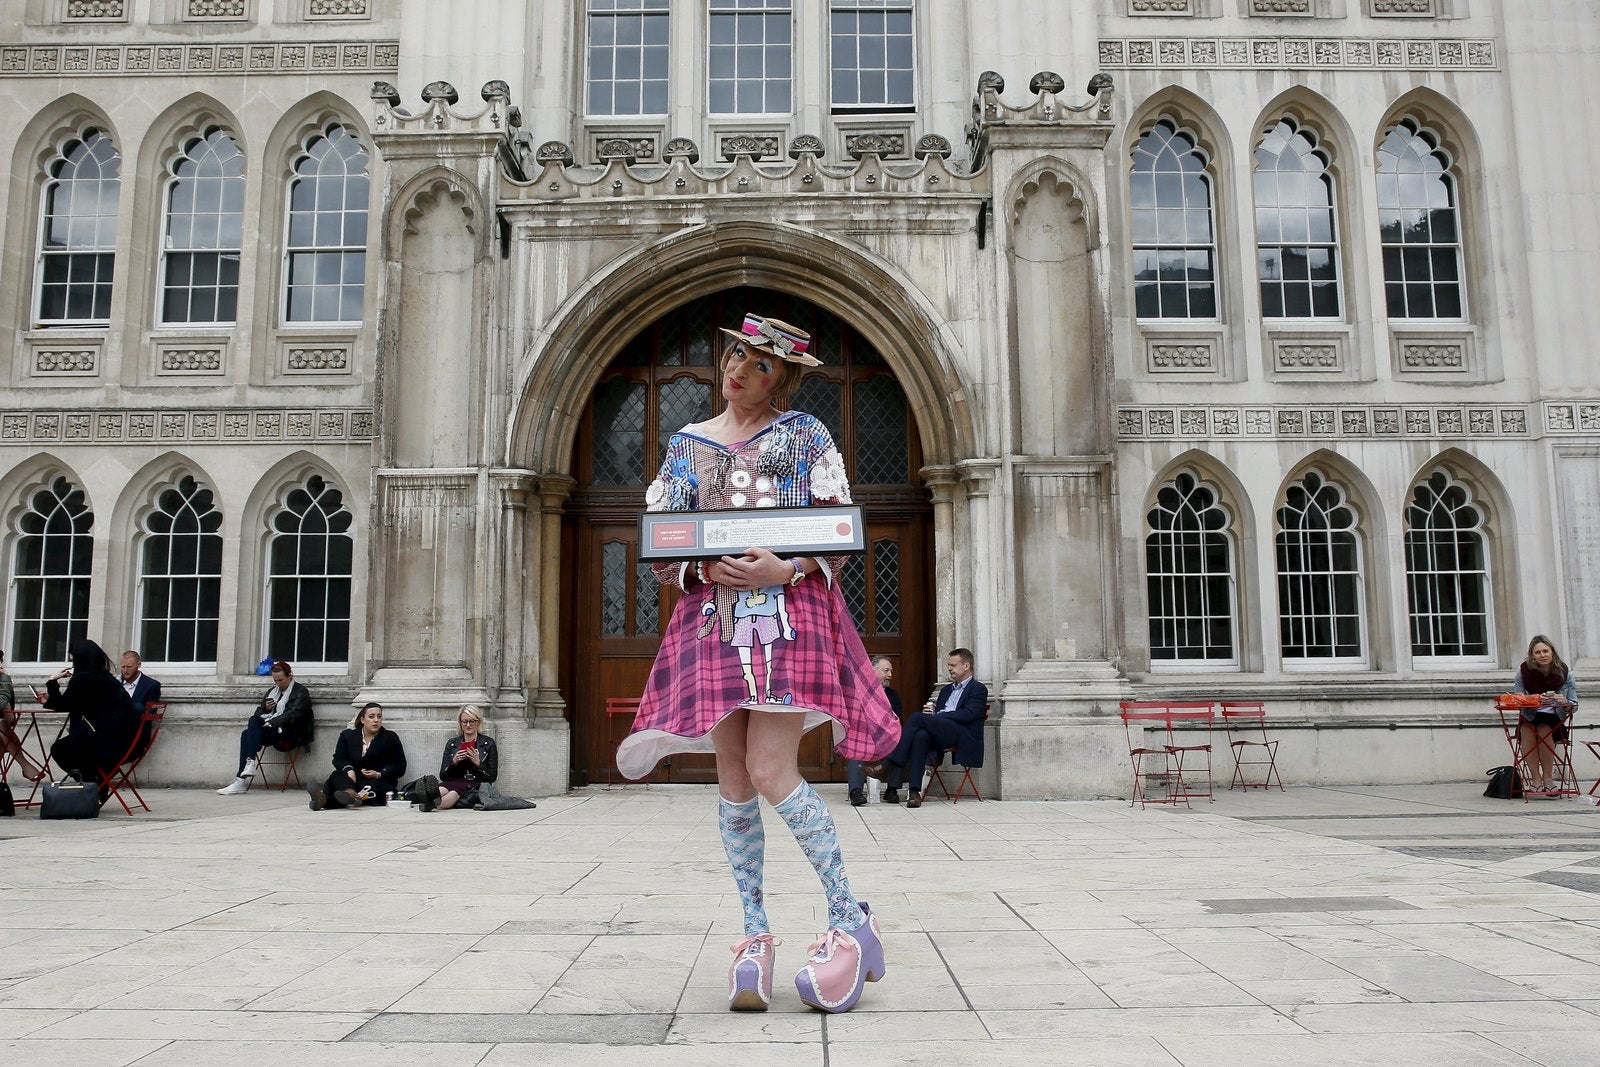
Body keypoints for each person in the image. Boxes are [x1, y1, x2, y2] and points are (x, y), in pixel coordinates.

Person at [616, 313, 900, 1016]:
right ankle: (754, 933)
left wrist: (788, 565)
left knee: (774, 769)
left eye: (763, 365)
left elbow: (837, 529)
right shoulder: (686, 445)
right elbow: (664, 546)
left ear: (785, 378)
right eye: (739, 354)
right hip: (710, 621)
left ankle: (848, 917)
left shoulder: (804, 434)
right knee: (735, 778)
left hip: (784, 619)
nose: (743, 370)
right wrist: (697, 564)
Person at [866, 648, 987, 809]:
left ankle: (887, 766)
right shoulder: (945, 690)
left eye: (953, 665)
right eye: (948, 665)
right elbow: (942, 716)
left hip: (962, 735)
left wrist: (937, 717)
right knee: (920, 735)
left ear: (966, 665)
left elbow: (969, 715)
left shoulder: (978, 689)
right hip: (942, 732)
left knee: (917, 718)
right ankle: (915, 792)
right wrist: (934, 714)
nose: (949, 668)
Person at [43, 639, 139, 796]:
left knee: (60, 750)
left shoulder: (83, 678)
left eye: (73, 657)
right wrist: (51, 700)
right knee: (71, 746)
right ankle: (97, 781)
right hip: (124, 739)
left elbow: (65, 705)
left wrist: (52, 681)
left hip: (105, 742)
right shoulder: (104, 677)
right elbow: (76, 702)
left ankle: (94, 783)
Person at [217, 660, 313, 795]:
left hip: (292, 731)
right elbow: (258, 714)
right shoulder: (272, 692)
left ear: (290, 676)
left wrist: (273, 722)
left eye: (281, 680)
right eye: (275, 680)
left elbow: (294, 715)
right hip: (273, 729)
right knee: (250, 726)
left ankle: (243, 777)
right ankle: (246, 770)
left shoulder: (300, 691)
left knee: (248, 732)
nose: (278, 684)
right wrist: (266, 709)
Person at [308, 702, 406, 810]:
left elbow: (400, 766)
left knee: (371, 789)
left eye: (379, 716)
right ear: (362, 719)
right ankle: (350, 795)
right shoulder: (348, 736)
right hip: (351, 781)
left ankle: (324, 800)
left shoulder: (390, 738)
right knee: (337, 775)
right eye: (371, 717)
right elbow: (339, 759)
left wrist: (378, 774)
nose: (376, 720)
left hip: (376, 782)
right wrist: (349, 770)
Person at [1512, 635, 1577, 794]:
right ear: (1532, 655)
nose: (1543, 655)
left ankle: (1548, 778)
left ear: (1552, 652)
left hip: (1555, 716)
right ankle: (1536, 779)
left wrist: (1562, 700)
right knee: (1527, 729)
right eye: (1538, 652)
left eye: (1545, 651)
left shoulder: (1565, 673)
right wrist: (1533, 699)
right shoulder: (1523, 673)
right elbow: (1517, 699)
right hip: (1530, 714)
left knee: (1543, 727)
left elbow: (1574, 705)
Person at [417, 704, 499, 812]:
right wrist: (454, 762)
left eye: (472, 721)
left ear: (478, 722)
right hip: (455, 780)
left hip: (476, 783)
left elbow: (492, 777)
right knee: (441, 788)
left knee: (454, 792)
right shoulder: (452, 743)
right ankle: (428, 797)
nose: (468, 725)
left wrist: (478, 763)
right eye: (464, 721)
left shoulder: (488, 743)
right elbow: (443, 776)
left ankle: (431, 804)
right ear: (460, 723)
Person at [847, 657, 902, 806]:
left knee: (899, 743)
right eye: (886, 670)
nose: (890, 674)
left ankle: (892, 790)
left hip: (886, 736)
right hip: (863, 734)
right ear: (873, 671)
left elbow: (898, 720)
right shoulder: (859, 692)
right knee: (857, 747)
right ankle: (856, 792)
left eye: (891, 671)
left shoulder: (894, 695)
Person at [0, 648, 49, 783]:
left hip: (3, 726)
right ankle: (26, 766)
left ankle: (26, 767)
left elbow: (7, 708)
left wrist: (4, 680)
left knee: (1, 726)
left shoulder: (3, 680)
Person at [119, 651, 162, 762]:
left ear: (138, 665)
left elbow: (149, 714)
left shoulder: (151, 686)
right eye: (123, 666)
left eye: (129, 667)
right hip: (112, 734)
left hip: (134, 738)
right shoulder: (115, 683)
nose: (125, 670)